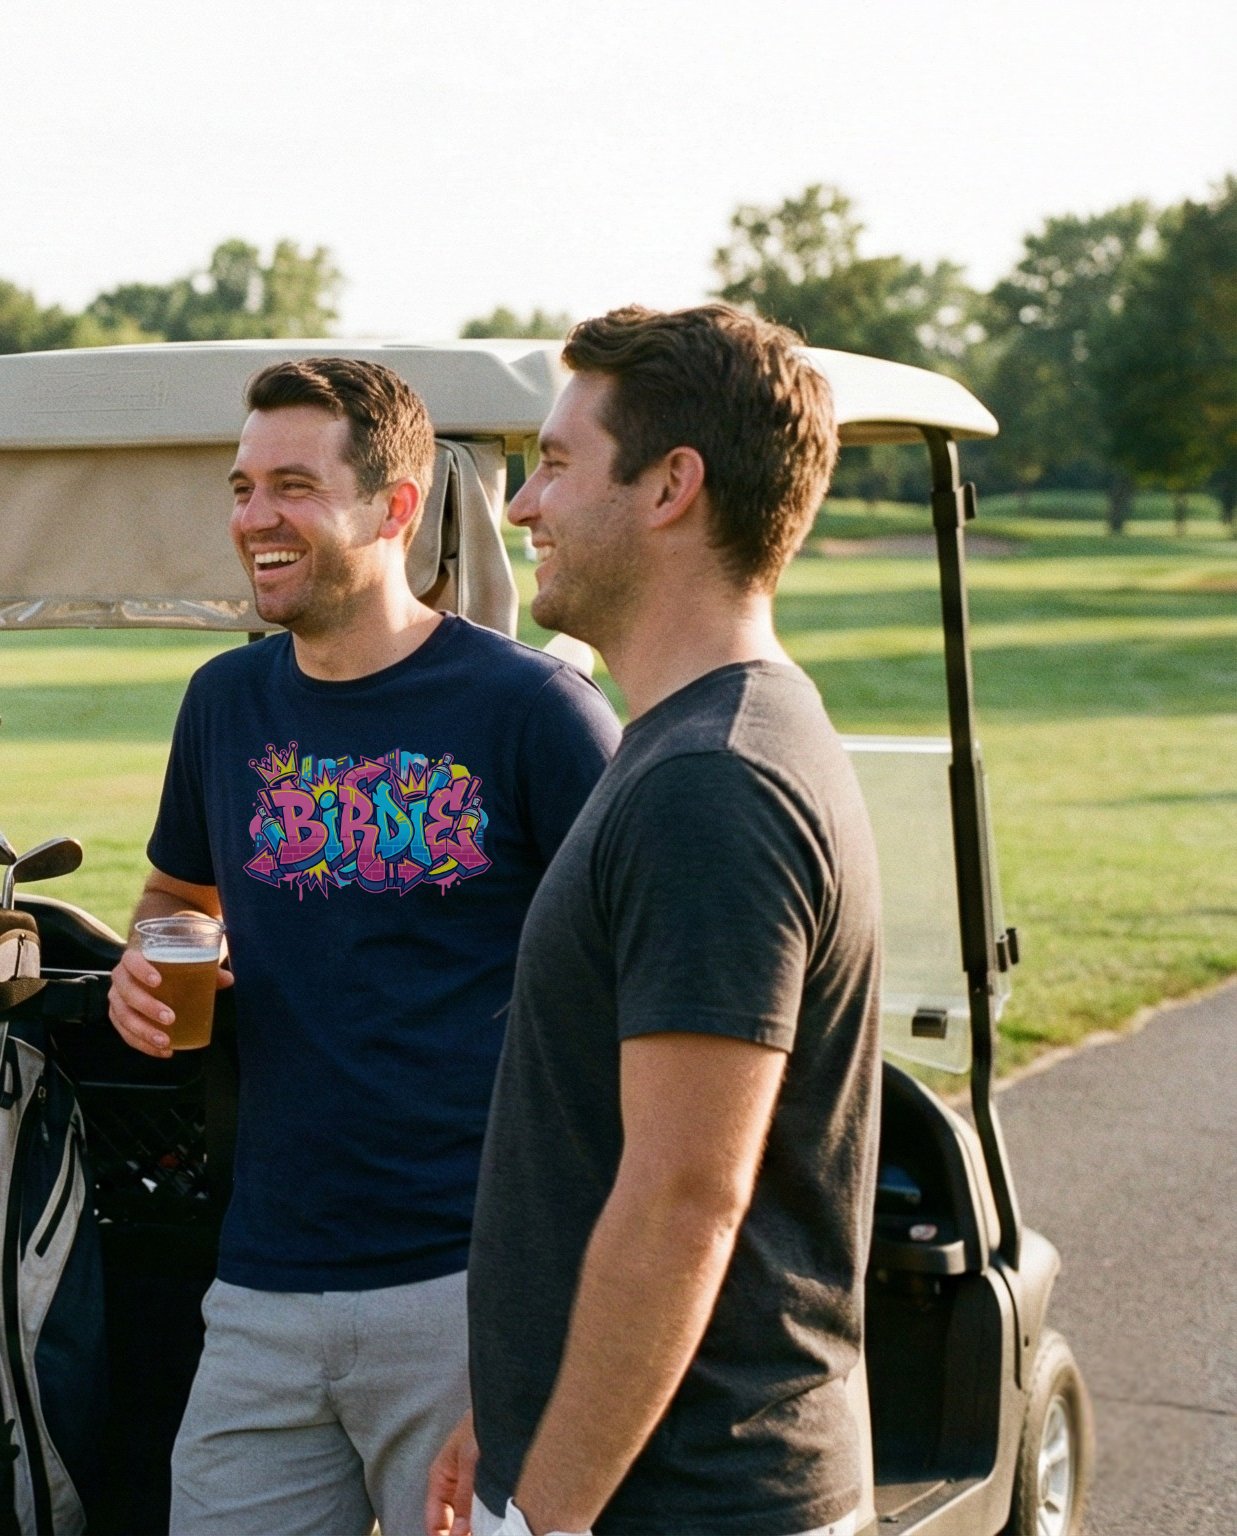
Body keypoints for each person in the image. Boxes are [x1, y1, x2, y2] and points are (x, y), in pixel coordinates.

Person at [107, 358, 621, 1536]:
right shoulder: (223, 703)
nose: (253, 518)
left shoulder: (533, 711)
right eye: (241, 488)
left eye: (293, 486)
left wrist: (547, 1319)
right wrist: (149, 960)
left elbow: (626, 1003)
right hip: (260, 1280)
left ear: (394, 508)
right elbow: (176, 893)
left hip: (466, 1282)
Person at [428, 305, 879, 1536]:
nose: (522, 506)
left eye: (554, 465)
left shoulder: (710, 782)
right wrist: (512, 1411)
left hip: (685, 1501)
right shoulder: (695, 741)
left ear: (671, 486)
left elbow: (684, 1201)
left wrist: (544, 1516)